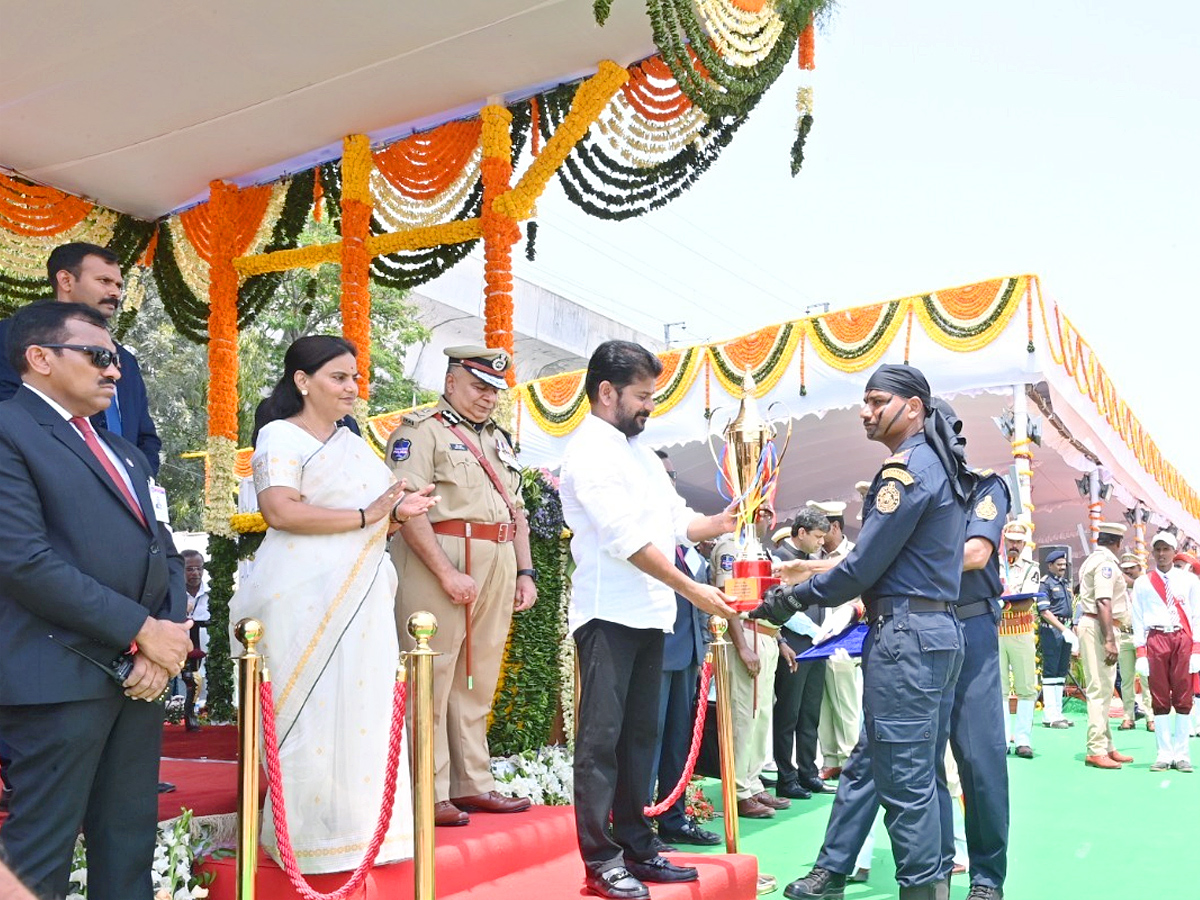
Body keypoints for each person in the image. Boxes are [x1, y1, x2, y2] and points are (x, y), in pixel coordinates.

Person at [753, 365, 974, 900]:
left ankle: (923, 890)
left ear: (914, 407)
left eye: (877, 401)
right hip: (928, 632)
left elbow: (859, 568)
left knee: (906, 783)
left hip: (906, 638)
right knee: (875, 764)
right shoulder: (930, 463)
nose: (864, 411)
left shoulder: (908, 471)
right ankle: (832, 870)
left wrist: (789, 599)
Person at [0, 300, 190, 899]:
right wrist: (141, 631)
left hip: (141, 677)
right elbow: (22, 560)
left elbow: (163, 552)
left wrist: (166, 637)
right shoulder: (9, 431)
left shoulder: (126, 453)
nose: (115, 372)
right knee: (39, 853)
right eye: (99, 356)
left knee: (128, 844)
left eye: (116, 361)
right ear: (39, 358)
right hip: (58, 675)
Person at [230, 335, 436, 873]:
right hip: (300, 592)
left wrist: (399, 510)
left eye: (354, 377)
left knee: (359, 708)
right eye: (339, 377)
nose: (352, 387)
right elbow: (281, 511)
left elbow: (371, 513)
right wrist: (371, 516)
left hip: (359, 592)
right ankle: (302, 840)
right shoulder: (280, 435)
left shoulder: (352, 440)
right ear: (302, 381)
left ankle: (358, 835)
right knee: (306, 714)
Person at [561, 340, 737, 900]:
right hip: (608, 611)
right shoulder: (589, 451)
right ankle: (600, 857)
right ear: (606, 392)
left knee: (641, 737)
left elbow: (675, 522)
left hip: (651, 613)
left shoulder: (638, 450)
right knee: (601, 740)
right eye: (642, 396)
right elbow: (625, 540)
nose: (648, 407)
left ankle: (637, 844)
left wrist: (726, 521)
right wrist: (693, 589)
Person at [386, 345, 536, 828]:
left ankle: (472, 783)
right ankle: (426, 789)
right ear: (450, 382)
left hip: (497, 557)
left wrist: (524, 571)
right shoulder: (419, 431)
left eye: (494, 390)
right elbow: (407, 506)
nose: (488, 398)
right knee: (431, 673)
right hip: (442, 556)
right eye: (478, 386)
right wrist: (446, 572)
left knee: (477, 677)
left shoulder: (499, 439)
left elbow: (518, 511)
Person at [0, 242, 162, 474]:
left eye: (118, 284)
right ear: (66, 281)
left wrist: (136, 481)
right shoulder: (10, 339)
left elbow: (146, 438)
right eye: (104, 281)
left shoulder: (126, 359)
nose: (115, 292)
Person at [648, 451, 720, 848]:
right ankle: (639, 820)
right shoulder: (649, 531)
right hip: (656, 649)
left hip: (688, 652)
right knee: (650, 738)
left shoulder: (686, 540)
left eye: (673, 475)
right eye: (663, 474)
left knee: (678, 741)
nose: (670, 481)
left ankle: (674, 818)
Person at [711, 513, 792, 818]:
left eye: (771, 511)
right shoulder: (731, 546)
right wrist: (742, 646)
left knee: (761, 715)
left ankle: (752, 782)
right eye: (763, 510)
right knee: (744, 713)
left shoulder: (761, 549)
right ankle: (737, 789)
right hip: (745, 634)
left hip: (767, 634)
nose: (769, 518)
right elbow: (727, 599)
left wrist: (780, 641)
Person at [771, 508, 835, 800]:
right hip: (795, 642)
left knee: (810, 712)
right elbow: (780, 607)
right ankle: (786, 776)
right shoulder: (780, 559)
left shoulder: (815, 561)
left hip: (817, 643)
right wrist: (815, 632)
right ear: (801, 533)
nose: (822, 543)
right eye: (818, 537)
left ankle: (808, 772)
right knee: (789, 712)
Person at [1131, 531, 1200, 772]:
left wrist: (1196, 650)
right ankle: (1163, 753)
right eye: (1157, 549)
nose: (1161, 554)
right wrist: (1140, 652)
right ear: (1153, 552)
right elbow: (1137, 618)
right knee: (1159, 698)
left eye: (1166, 549)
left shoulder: (1189, 581)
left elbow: (1196, 615)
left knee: (1183, 697)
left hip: (1182, 637)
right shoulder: (1142, 582)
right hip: (1156, 638)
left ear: (1174, 551)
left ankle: (1182, 755)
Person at [807, 499, 862, 782]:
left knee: (846, 701)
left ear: (836, 526)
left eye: (823, 528)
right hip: (818, 637)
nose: (818, 534)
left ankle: (851, 759)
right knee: (825, 702)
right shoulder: (814, 557)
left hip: (845, 637)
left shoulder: (854, 554)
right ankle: (831, 758)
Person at [1075, 522, 1135, 770]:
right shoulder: (1106, 564)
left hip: (1096, 625)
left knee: (1104, 687)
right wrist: (1109, 639)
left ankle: (1106, 745)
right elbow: (1103, 601)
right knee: (1100, 689)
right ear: (1118, 543)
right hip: (1100, 627)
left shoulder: (1093, 560)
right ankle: (1096, 748)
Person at [998, 521, 1040, 758]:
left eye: (1018, 541)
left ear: (1024, 544)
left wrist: (1000, 603)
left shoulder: (1031, 567)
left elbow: (1027, 601)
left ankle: (1023, 739)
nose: (1013, 545)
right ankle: (1002, 739)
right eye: (1010, 540)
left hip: (1020, 630)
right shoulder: (992, 564)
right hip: (997, 631)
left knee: (1025, 688)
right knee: (1000, 689)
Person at [1037, 549, 1078, 728]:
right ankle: (1049, 715)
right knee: (1051, 672)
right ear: (1050, 566)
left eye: (1064, 564)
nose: (1062, 567)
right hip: (1052, 630)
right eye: (1059, 564)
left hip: (1065, 629)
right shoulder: (1045, 584)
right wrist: (1062, 629)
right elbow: (1044, 611)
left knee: (1061, 672)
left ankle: (1058, 713)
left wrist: (1071, 630)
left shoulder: (1065, 583)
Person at [180, 549, 210, 730]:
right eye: (189, 569)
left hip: (206, 647)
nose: (195, 573)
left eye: (199, 569)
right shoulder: (172, 593)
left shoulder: (212, 592)